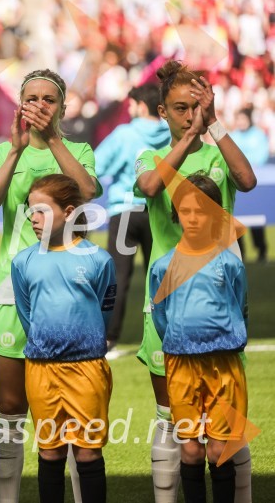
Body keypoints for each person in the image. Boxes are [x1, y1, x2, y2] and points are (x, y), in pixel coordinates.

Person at [134, 60, 257, 503]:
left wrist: (216, 124)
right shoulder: (152, 157)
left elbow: (247, 179)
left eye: (196, 107)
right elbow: (149, 187)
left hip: (217, 301)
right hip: (167, 298)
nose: (191, 115)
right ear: (163, 112)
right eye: (181, 108)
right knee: (172, 417)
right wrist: (188, 139)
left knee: (227, 420)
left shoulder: (216, 153)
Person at [0, 69, 100, 502]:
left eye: (49, 99)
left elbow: (88, 191)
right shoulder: (4, 153)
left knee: (70, 415)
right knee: (11, 410)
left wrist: (52, 140)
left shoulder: (77, 149)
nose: (40, 105)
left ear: (63, 107)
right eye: (32, 98)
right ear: (20, 103)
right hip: (14, 292)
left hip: (67, 295)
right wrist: (13, 150)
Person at [11, 174, 116, 503]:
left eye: (41, 211)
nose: (34, 219)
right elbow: (27, 314)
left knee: (87, 453)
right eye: (30, 212)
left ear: (69, 212)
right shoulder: (23, 261)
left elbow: (104, 312)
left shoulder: (98, 260)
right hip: (41, 370)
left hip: (86, 369)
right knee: (50, 452)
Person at [149, 174, 249, 503]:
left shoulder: (229, 263)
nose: (193, 218)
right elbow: (160, 315)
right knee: (190, 451)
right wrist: (181, 340)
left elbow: (239, 303)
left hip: (223, 364)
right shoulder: (163, 267)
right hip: (181, 365)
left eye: (201, 211)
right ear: (176, 213)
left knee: (219, 449)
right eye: (186, 210)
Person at [94, 84, 170, 351]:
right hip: (158, 212)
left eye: (131, 105)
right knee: (162, 275)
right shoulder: (173, 134)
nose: (129, 110)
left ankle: (108, 339)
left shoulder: (125, 134)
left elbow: (97, 164)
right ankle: (167, 333)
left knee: (117, 279)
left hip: (125, 211)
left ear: (140, 106)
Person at [229, 106, 269, 263]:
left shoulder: (258, 135)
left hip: (256, 185)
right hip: (237, 184)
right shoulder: (233, 136)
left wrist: (243, 164)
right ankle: (241, 254)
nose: (240, 122)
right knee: (237, 220)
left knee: (256, 220)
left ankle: (262, 251)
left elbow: (262, 155)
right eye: (238, 119)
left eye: (243, 119)